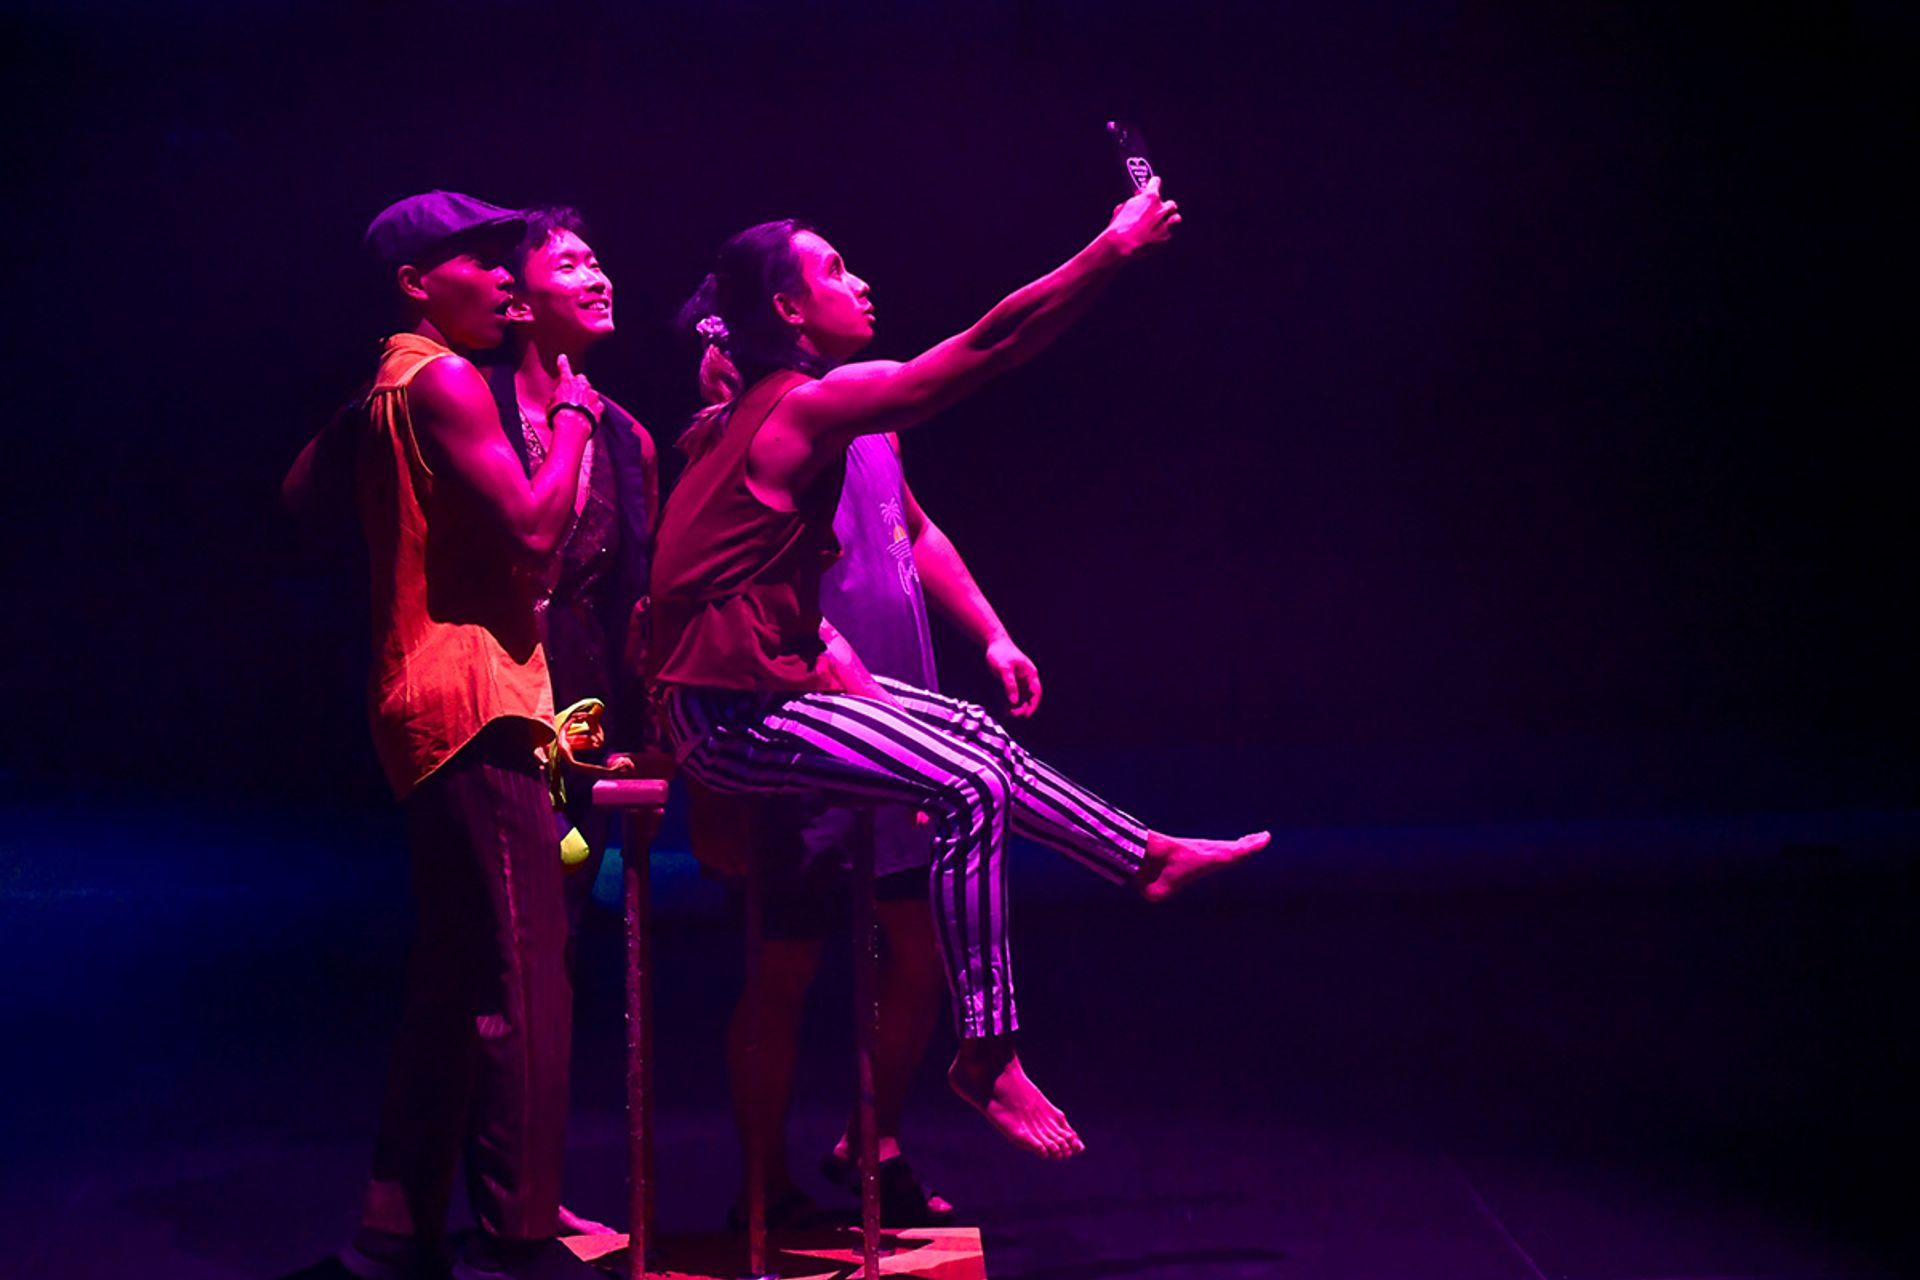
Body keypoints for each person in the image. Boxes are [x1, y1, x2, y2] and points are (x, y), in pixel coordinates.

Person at [650, 179, 1269, 1163]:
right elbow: (987, 345)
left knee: (975, 733)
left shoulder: (800, 414)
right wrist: (1109, 247)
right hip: (730, 713)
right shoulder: (801, 408)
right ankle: (988, 1049)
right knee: (969, 783)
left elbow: (894, 528)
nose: (863, 283)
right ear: (788, 311)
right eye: (835, 272)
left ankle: (1141, 854)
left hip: (766, 689)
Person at [313, 190, 609, 1280]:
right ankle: (523, 1237)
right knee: (527, 982)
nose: (504, 279)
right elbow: (536, 531)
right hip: (475, 703)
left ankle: (396, 1228)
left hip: (421, 699)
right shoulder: (440, 378)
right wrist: (574, 414)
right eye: (478, 263)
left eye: (505, 262)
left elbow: (301, 489)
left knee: (450, 974)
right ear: (414, 284)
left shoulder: (386, 384)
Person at [712, 422, 1038, 1227]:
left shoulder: (878, 420)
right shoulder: (761, 424)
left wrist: (993, 635)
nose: (863, 290)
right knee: (785, 968)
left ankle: (873, 1141)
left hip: (902, 738)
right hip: (804, 735)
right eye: (839, 281)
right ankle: (764, 1186)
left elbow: (913, 530)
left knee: (923, 952)